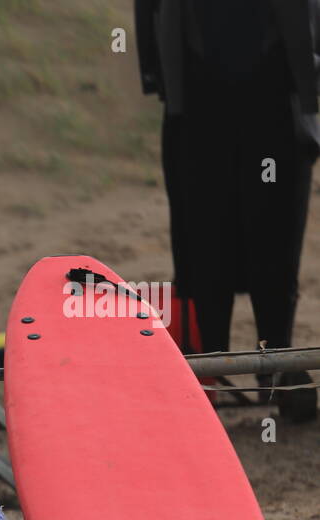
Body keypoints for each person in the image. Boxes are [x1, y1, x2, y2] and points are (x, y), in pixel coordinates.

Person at [137, 0, 319, 411]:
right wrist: (158, 71)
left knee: (275, 236)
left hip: (277, 81)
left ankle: (277, 364)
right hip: (200, 88)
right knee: (205, 235)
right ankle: (208, 369)